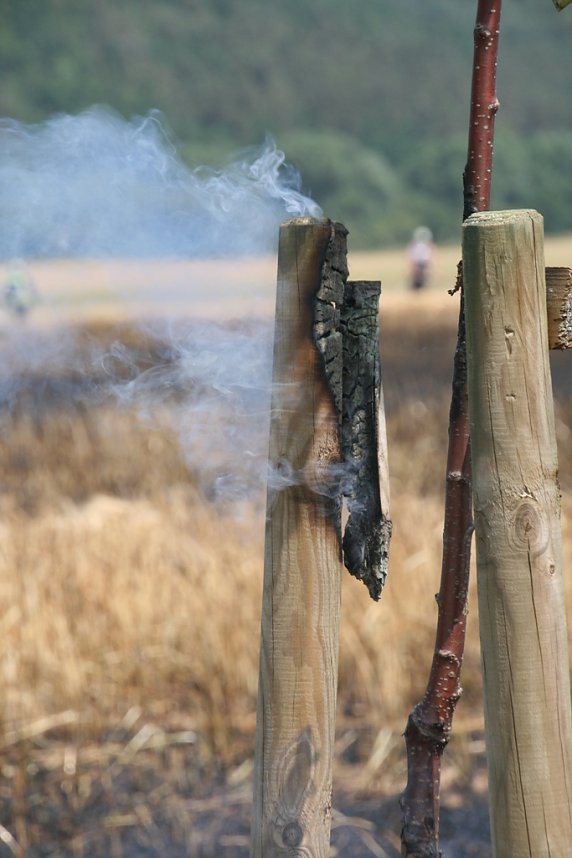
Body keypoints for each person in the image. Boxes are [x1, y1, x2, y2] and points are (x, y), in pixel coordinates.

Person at [407, 226, 433, 290]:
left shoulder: (425, 245)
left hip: (423, 262)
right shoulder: (415, 245)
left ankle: (421, 288)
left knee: (423, 277)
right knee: (417, 277)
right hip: (418, 262)